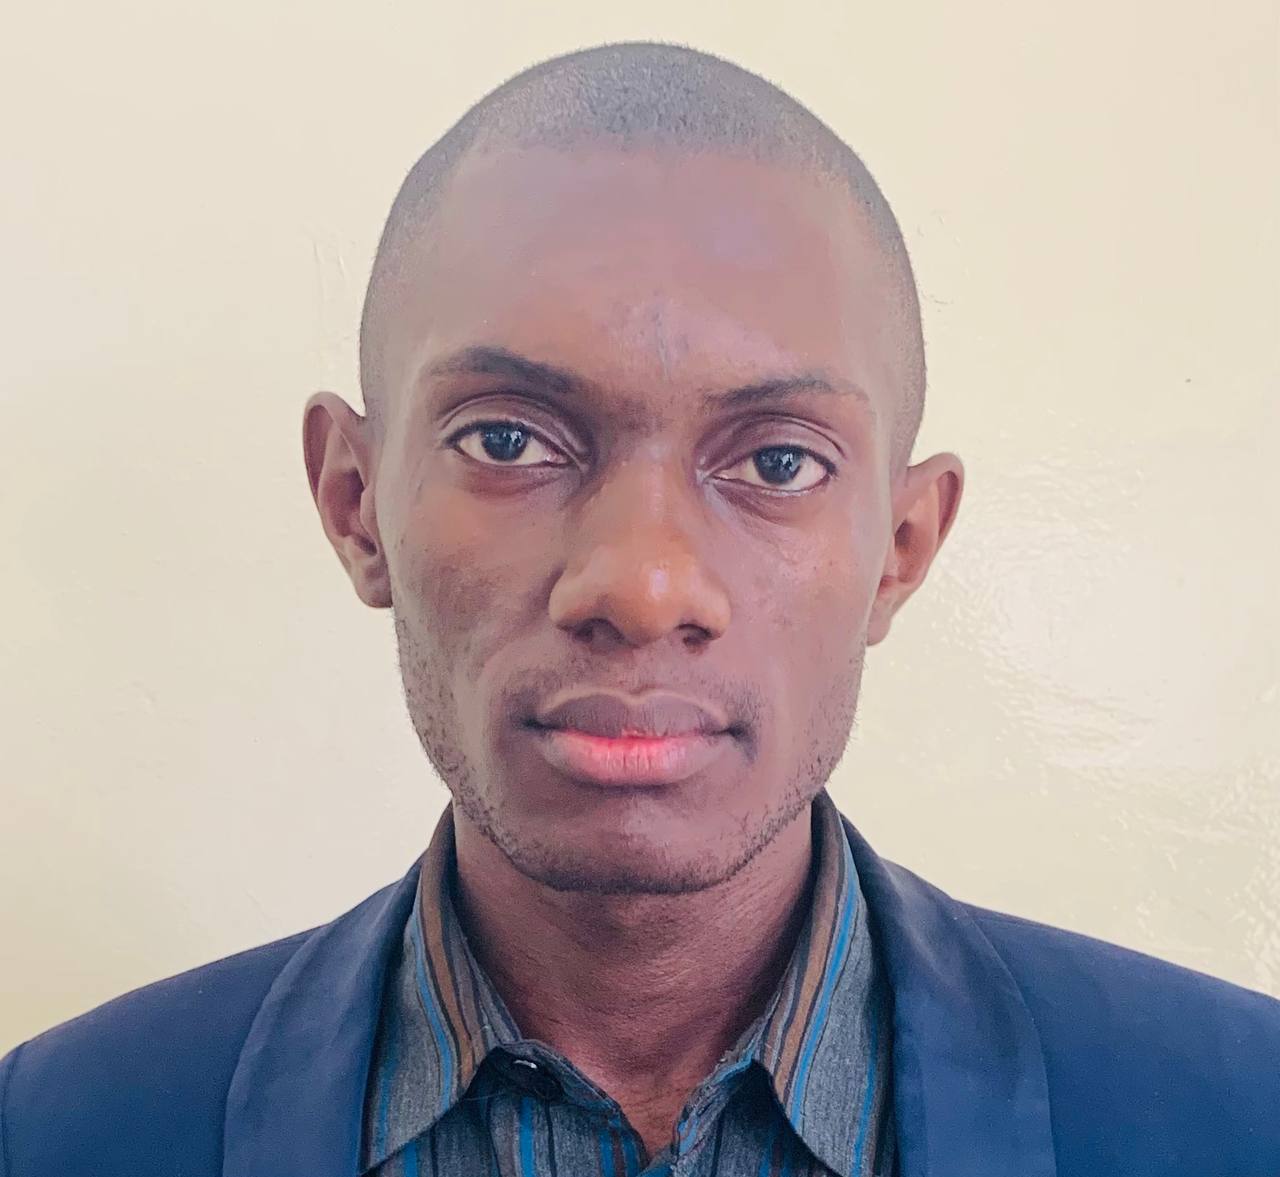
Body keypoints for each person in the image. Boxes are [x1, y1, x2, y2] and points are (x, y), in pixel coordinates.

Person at [1, 40, 1276, 1177]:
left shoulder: (1241, 1117)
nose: (640, 583)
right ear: (354, 502)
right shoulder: (55, 1132)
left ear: (899, 548)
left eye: (777, 460)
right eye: (507, 439)